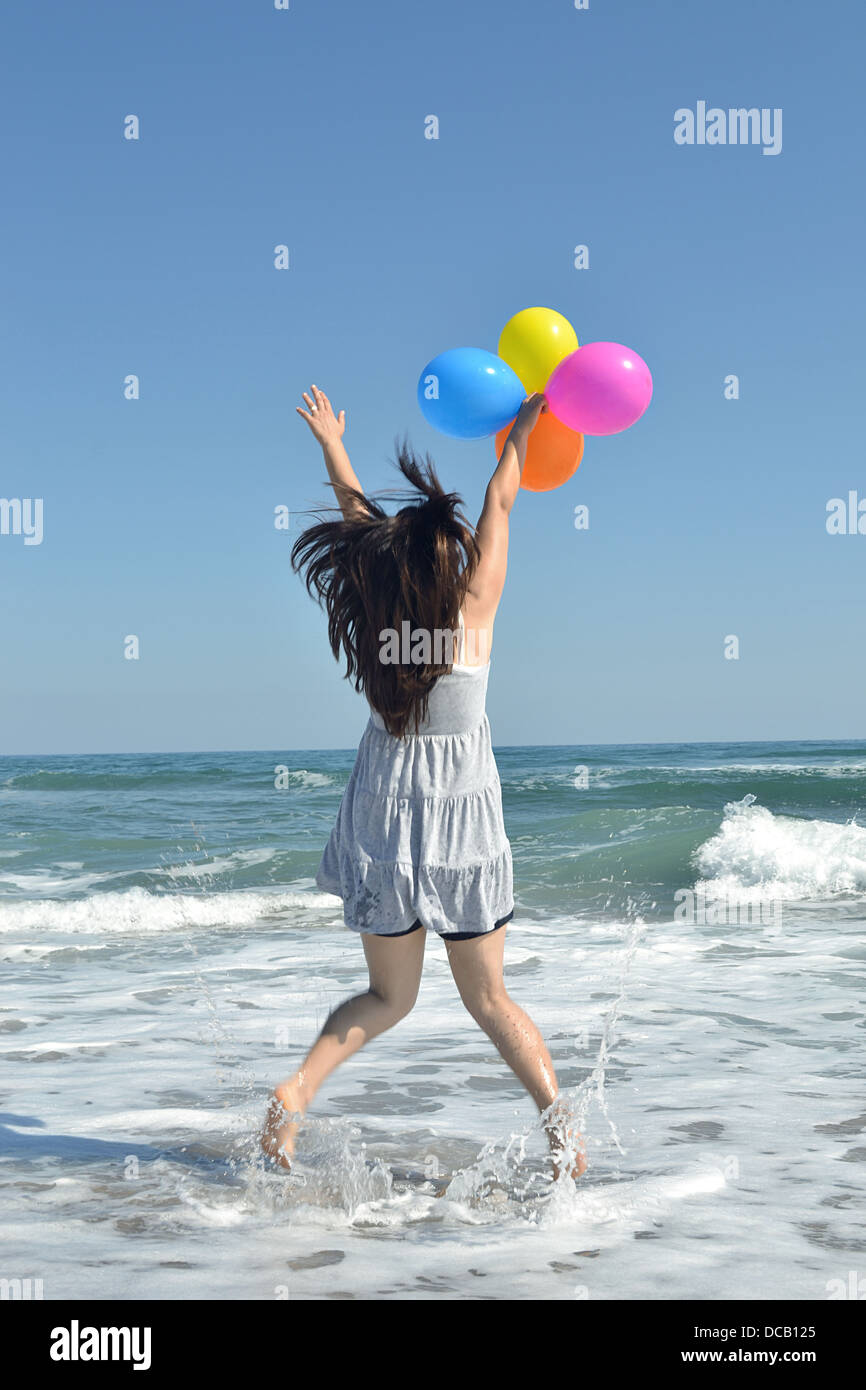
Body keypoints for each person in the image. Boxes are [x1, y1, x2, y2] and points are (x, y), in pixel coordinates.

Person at [261, 384, 585, 1182]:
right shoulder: (475, 613)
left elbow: (357, 521)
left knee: (388, 1000)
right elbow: (502, 496)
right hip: (459, 832)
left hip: (381, 822)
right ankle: (563, 1140)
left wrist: (333, 443)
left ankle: (295, 1095)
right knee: (490, 1001)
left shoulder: (378, 622)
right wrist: (521, 434)